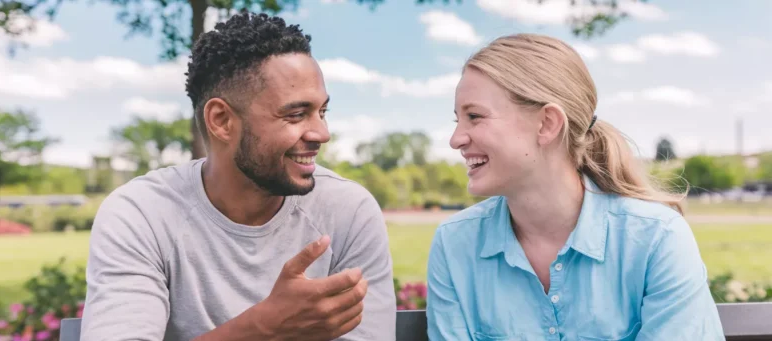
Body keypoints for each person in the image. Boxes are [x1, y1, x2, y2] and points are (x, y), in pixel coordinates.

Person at [80, 12, 395, 341]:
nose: (322, 133)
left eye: (322, 112)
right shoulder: (141, 214)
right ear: (221, 120)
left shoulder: (348, 211)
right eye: (297, 114)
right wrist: (264, 328)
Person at [425, 33, 725, 340]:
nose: (456, 139)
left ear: (547, 124)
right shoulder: (454, 245)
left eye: (474, 116)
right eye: (457, 120)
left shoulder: (657, 240)